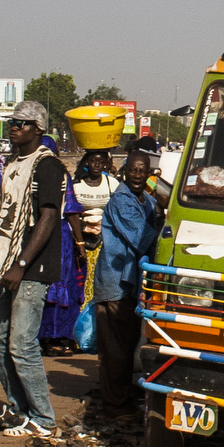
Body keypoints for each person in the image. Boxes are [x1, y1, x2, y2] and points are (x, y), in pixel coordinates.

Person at [0, 105, 64, 439]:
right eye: (12, 123)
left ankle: (43, 418)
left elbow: (47, 217)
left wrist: (21, 264)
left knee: (21, 343)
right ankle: (18, 408)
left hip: (32, 265)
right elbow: (5, 217)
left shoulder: (49, 166)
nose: (13, 128)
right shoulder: (12, 164)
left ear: (38, 128)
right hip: (4, 264)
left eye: (21, 124)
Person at [91, 151, 166, 420]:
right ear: (124, 171)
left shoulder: (144, 200)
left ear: (148, 174)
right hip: (115, 283)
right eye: (132, 170)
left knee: (125, 345)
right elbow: (142, 238)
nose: (136, 175)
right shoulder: (122, 201)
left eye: (141, 170)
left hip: (130, 284)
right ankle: (114, 406)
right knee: (115, 351)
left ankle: (122, 401)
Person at [38, 164, 89, 350]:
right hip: (58, 236)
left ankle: (45, 337)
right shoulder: (59, 173)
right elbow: (71, 209)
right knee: (61, 283)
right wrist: (80, 242)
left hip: (33, 232)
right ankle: (55, 337)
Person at [72, 150, 118, 252]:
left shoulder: (112, 183)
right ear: (87, 162)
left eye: (101, 162)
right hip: (80, 237)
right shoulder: (76, 184)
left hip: (106, 238)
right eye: (93, 161)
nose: (97, 165)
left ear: (105, 164)